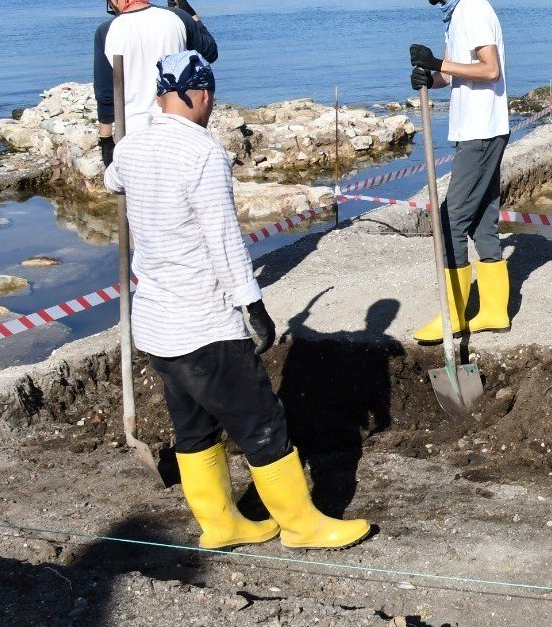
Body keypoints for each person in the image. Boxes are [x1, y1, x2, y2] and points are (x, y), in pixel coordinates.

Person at [104, 52, 371, 551]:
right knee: (261, 423)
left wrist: (117, 144)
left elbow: (111, 180)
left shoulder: (132, 147)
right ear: (202, 94)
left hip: (156, 326)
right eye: (212, 97)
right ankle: (300, 525)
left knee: (193, 426)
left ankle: (221, 524)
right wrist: (253, 305)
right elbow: (224, 240)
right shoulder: (204, 155)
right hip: (202, 322)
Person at [398, 0, 512, 342]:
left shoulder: (473, 9)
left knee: (449, 221)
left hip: (482, 130)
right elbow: (453, 74)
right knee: (481, 220)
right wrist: (431, 77)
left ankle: (455, 316)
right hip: (475, 129)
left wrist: (438, 63)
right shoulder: (455, 12)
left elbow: (490, 69)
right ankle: (494, 311)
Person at [93, 0, 218, 167]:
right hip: (181, 126)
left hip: (134, 132)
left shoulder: (107, 31)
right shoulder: (177, 18)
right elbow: (210, 52)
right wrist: (191, 13)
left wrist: (106, 141)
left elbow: (106, 92)